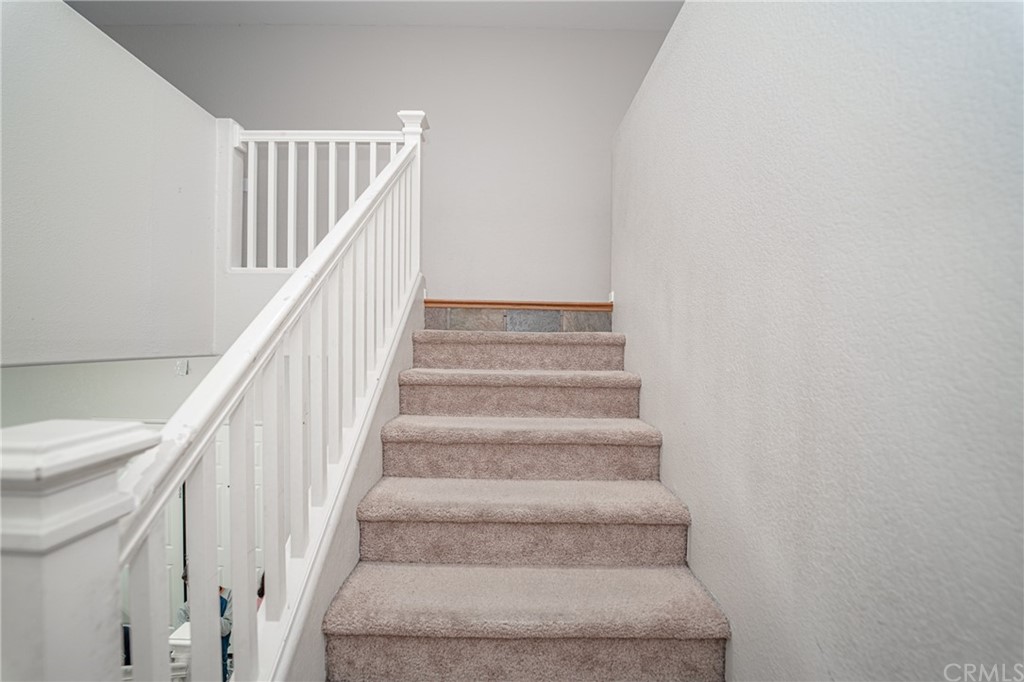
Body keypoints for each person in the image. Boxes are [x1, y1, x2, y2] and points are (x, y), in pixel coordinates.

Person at [176, 564, 232, 682]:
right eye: (189, 584)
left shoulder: (228, 596)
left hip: (218, 662)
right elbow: (184, 642)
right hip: (194, 664)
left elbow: (225, 628)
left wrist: (203, 610)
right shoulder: (184, 609)